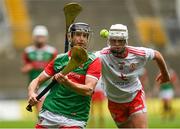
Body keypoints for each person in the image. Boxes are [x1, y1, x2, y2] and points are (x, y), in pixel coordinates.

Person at [27, 22, 101, 129]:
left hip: (74, 118)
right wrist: (31, 94)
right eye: (78, 34)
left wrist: (67, 83)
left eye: (85, 36)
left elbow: (89, 89)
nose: (82, 39)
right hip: (50, 112)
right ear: (70, 37)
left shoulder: (93, 61)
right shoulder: (60, 59)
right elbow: (37, 80)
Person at [96, 24, 170, 128]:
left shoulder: (137, 53)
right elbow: (84, 60)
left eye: (120, 41)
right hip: (115, 101)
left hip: (135, 96)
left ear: (125, 41)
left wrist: (165, 74)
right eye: (113, 41)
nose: (116, 44)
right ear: (109, 40)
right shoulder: (101, 55)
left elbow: (157, 55)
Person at [21, 25, 58, 113]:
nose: (40, 39)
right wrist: (29, 67)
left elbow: (56, 67)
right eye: (38, 36)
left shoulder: (51, 51)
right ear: (34, 37)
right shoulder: (28, 51)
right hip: (33, 84)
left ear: (46, 37)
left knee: (42, 109)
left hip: (47, 84)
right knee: (38, 111)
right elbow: (24, 69)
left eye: (42, 36)